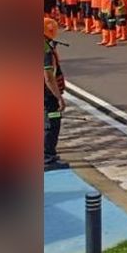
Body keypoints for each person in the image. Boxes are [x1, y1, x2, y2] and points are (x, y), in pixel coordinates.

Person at [44, 17, 69, 170]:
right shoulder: (45, 51)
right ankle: (48, 157)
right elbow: (48, 77)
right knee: (52, 123)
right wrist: (59, 98)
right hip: (48, 94)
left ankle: (48, 154)